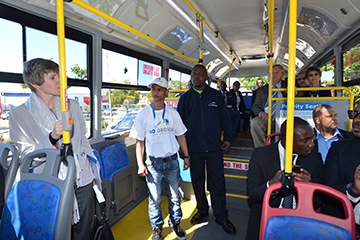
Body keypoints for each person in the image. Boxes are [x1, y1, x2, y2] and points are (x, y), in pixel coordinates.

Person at [9, 58, 101, 239]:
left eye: (59, 75)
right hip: (50, 185)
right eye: (53, 77)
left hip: (81, 179)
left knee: (83, 232)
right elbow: (29, 158)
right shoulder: (19, 115)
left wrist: (92, 174)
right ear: (35, 84)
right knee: (55, 233)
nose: (60, 81)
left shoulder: (72, 105)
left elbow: (82, 141)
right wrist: (52, 138)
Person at [177, 64, 236, 235]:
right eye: (194, 74)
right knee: (197, 181)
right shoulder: (185, 99)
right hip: (193, 148)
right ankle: (202, 210)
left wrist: (229, 139)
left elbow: (225, 119)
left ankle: (221, 215)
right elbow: (179, 127)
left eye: (200, 74)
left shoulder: (216, 96)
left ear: (206, 78)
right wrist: (182, 148)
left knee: (217, 182)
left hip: (214, 147)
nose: (196, 77)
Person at [129, 77, 190, 240]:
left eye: (159, 89)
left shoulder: (172, 113)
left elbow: (181, 136)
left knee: (175, 196)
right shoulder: (143, 114)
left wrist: (186, 156)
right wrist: (140, 164)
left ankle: (175, 222)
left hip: (172, 161)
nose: (155, 93)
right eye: (153, 89)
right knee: (154, 198)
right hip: (152, 163)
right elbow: (139, 142)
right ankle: (156, 227)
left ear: (166, 92)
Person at [246, 117, 324, 240]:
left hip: (302, 216)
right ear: (287, 140)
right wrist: (271, 184)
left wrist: (309, 187)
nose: (311, 144)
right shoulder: (260, 155)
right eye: (305, 140)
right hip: (267, 214)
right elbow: (254, 195)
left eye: (312, 138)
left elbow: (318, 201)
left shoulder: (315, 158)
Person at [323, 103, 360, 237]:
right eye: (354, 114)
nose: (355, 120)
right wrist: (353, 191)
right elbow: (327, 192)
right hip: (345, 226)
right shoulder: (339, 149)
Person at [250, 64, 287, 148]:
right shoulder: (262, 90)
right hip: (268, 118)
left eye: (277, 73)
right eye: (272, 73)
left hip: (284, 118)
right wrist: (261, 112)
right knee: (255, 122)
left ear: (282, 75)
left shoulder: (288, 86)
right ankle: (260, 149)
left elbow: (300, 94)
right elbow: (255, 106)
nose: (274, 75)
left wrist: (294, 91)